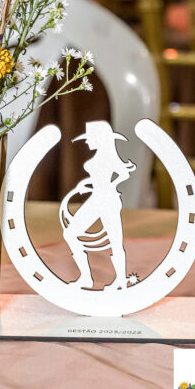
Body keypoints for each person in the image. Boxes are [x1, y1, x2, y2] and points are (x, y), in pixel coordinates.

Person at [59, 121, 136, 291]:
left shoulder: (108, 157)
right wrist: (87, 185)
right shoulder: (102, 157)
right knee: (71, 233)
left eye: (90, 138)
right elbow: (101, 179)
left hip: (106, 200)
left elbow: (123, 174)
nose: (87, 141)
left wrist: (108, 187)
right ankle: (88, 278)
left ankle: (118, 280)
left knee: (114, 241)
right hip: (98, 199)